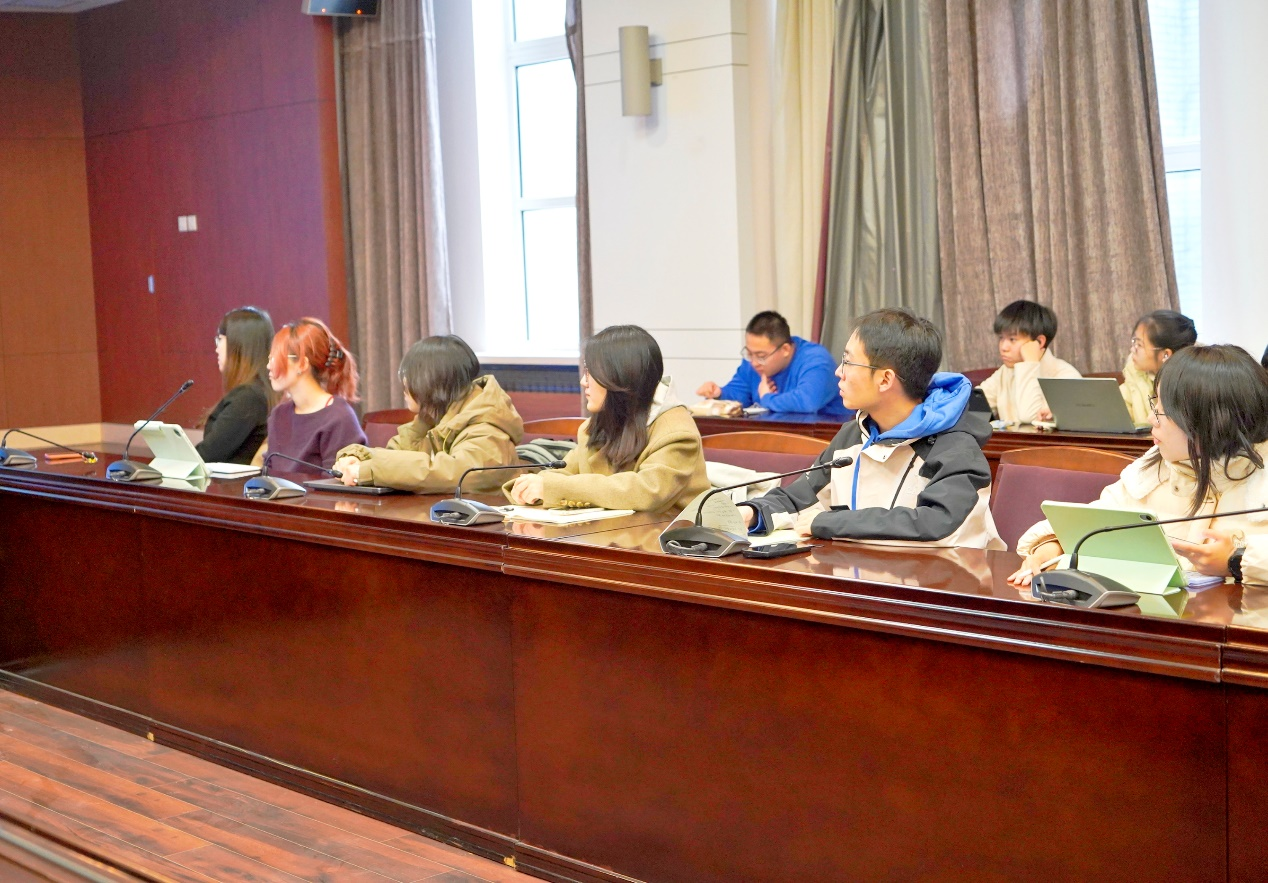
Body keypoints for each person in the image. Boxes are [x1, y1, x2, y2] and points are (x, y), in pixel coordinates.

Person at [740, 308, 1004, 549]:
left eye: (848, 362)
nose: (838, 372)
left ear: (885, 379)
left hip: (941, 581)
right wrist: (752, 513)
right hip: (861, 575)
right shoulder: (853, 435)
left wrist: (828, 522)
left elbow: (937, 525)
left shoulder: (956, 447)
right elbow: (798, 499)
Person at [1010, 345, 1268, 587]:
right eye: (1154, 404)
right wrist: (1052, 546)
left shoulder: (1261, 479)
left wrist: (1236, 561)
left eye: (1162, 411)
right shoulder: (1153, 469)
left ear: (1211, 421)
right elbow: (1094, 521)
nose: (1149, 418)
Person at [506, 325, 710, 512]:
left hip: (668, 537)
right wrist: (533, 487)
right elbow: (564, 474)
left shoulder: (676, 431)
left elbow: (647, 491)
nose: (583, 381)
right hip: (615, 534)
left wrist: (554, 488)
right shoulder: (595, 427)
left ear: (619, 377)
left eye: (590, 373)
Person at [332, 336, 524, 493]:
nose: (404, 384)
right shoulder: (433, 417)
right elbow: (396, 455)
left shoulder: (487, 426)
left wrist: (369, 469)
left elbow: (455, 472)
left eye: (411, 377)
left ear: (432, 383)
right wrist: (358, 458)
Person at [695, 311, 849, 417]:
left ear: (785, 350)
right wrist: (719, 394)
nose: (754, 362)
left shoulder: (816, 360)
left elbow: (807, 401)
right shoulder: (752, 364)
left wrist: (767, 398)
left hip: (823, 438)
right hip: (772, 435)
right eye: (749, 353)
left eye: (761, 356)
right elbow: (739, 395)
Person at [265, 317, 366, 473]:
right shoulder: (279, 415)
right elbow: (268, 473)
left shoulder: (339, 418)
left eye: (276, 358)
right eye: (270, 358)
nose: (269, 366)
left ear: (302, 364)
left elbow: (336, 481)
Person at [196, 306, 277, 465]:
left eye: (220, 339)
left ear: (239, 344)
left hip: (234, 481)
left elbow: (208, 454)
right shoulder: (254, 392)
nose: (216, 348)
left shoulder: (249, 397)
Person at [979, 300, 1081, 424]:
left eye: (1012, 339)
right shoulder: (1005, 371)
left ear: (1039, 342)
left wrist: (1030, 363)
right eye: (1001, 338)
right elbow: (972, 405)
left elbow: (1028, 417)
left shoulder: (1066, 376)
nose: (1003, 347)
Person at [1120, 310, 1197, 424]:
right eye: (1134, 342)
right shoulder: (1134, 376)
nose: (1132, 350)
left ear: (1165, 354)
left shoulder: (1193, 387)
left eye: (1139, 345)